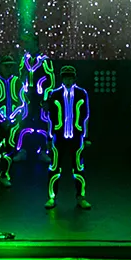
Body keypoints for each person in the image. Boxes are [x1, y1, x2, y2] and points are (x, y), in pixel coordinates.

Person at [43, 65, 91, 210]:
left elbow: (85, 116)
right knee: (54, 167)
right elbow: (50, 118)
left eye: (70, 77)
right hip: (59, 137)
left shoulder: (81, 93)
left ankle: (81, 197)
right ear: (62, 78)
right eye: (65, 77)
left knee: (79, 168)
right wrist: (49, 138)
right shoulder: (55, 94)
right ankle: (52, 197)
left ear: (74, 78)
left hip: (76, 136)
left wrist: (86, 136)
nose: (68, 80)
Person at [0, 55, 28, 190]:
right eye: (6, 65)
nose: (8, 68)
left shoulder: (17, 82)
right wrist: (2, 119)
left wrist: (13, 118)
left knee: (9, 150)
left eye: (10, 66)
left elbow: (22, 102)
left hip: (13, 123)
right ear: (1, 66)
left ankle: (4, 176)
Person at [14, 52, 55, 162]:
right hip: (27, 98)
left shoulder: (45, 60)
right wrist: (21, 95)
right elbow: (20, 77)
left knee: (42, 124)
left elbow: (50, 80)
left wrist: (46, 99)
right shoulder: (24, 59)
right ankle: (22, 150)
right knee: (23, 123)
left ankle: (43, 151)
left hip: (40, 99)